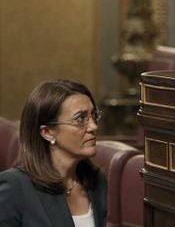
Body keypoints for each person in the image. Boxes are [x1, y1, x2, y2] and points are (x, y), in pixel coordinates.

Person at [0, 79, 107, 226]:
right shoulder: (15, 187)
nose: (93, 126)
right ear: (48, 132)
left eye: (94, 116)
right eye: (80, 118)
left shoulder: (96, 181)